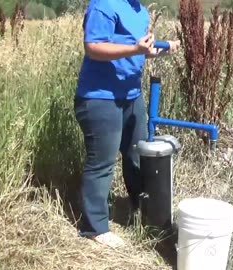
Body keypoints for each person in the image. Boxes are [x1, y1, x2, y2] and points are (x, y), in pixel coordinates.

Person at [74, 0, 180, 248]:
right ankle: (94, 227)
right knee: (103, 161)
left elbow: (141, 50)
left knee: (137, 156)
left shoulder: (140, 11)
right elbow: (93, 47)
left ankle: (140, 211)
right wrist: (135, 48)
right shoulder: (105, 5)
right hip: (100, 97)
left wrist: (165, 48)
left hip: (131, 97)